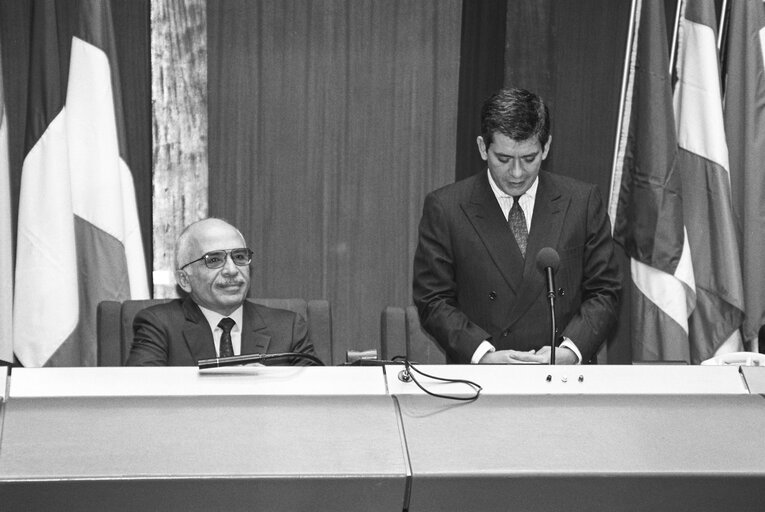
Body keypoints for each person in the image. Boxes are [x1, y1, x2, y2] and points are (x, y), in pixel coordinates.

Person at [413, 88, 621, 364]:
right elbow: (433, 299)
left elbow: (605, 290)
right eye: (503, 159)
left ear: (546, 147)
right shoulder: (447, 207)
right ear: (482, 148)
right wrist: (483, 355)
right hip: (484, 382)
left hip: (562, 380)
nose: (516, 173)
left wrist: (571, 351)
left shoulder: (581, 202)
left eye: (528, 158)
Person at [126, 218, 316, 366]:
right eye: (215, 260)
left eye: (239, 257)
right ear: (184, 280)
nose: (232, 270)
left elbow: (318, 398)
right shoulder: (159, 325)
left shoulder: (288, 327)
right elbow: (141, 396)